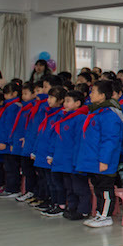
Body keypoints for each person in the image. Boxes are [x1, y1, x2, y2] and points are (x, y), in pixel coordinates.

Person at [77, 80, 123, 228]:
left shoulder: (109, 115)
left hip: (104, 161)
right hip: (94, 159)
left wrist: (104, 160)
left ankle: (106, 216)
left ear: (103, 95)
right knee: (97, 188)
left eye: (93, 92)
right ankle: (99, 213)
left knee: (105, 189)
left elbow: (110, 140)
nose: (90, 95)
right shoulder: (95, 112)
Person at [49, 90, 89, 219]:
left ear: (78, 103)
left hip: (74, 159)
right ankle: (72, 207)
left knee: (79, 187)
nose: (65, 104)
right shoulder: (64, 117)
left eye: (68, 101)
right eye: (65, 101)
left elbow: (79, 141)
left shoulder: (80, 118)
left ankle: (83, 210)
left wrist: (76, 160)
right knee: (69, 186)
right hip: (64, 159)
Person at [34, 87, 67, 216]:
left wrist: (51, 154)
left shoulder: (60, 115)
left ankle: (60, 204)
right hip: (43, 152)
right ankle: (51, 201)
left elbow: (55, 137)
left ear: (61, 100)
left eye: (52, 97)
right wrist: (35, 150)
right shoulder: (48, 114)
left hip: (51, 154)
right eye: (49, 97)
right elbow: (41, 133)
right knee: (47, 181)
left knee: (55, 182)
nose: (49, 100)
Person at [0, 81, 24, 198]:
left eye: (7, 94)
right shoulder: (9, 106)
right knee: (8, 166)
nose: (5, 96)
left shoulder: (14, 107)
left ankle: (13, 189)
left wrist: (7, 141)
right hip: (8, 141)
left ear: (15, 94)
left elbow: (11, 126)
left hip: (9, 142)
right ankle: (10, 187)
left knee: (11, 167)